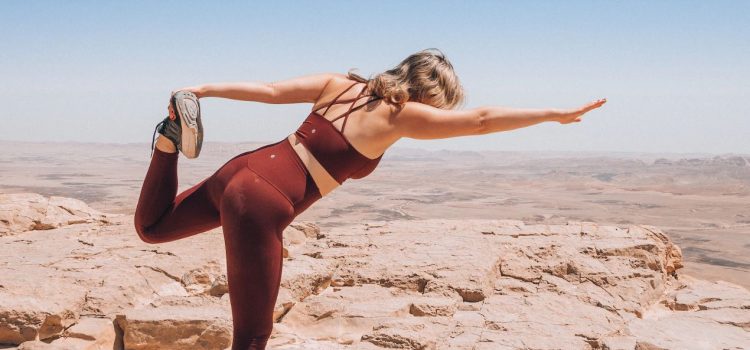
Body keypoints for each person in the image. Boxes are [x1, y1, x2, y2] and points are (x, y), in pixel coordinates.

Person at [134, 48, 606, 349]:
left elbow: (270, 90)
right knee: (253, 337)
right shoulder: (402, 115)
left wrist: (204, 90)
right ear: (431, 94)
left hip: (242, 169)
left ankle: (167, 143)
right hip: (262, 203)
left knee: (153, 228)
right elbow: (481, 120)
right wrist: (553, 114)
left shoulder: (339, 84)